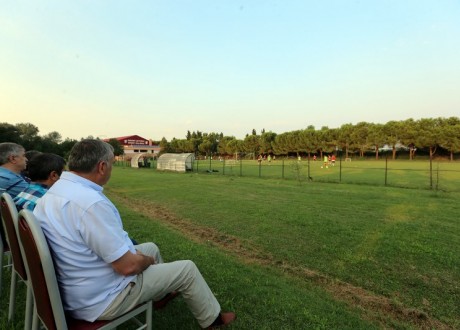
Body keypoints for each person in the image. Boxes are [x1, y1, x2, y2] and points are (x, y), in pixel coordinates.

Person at [33, 139, 235, 328]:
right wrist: (144, 261)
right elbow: (127, 267)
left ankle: (160, 296)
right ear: (102, 167)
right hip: (100, 298)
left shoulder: (56, 191)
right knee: (186, 270)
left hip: (78, 283)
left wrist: (141, 256)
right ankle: (213, 320)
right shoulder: (90, 203)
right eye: (111, 164)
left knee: (151, 248)